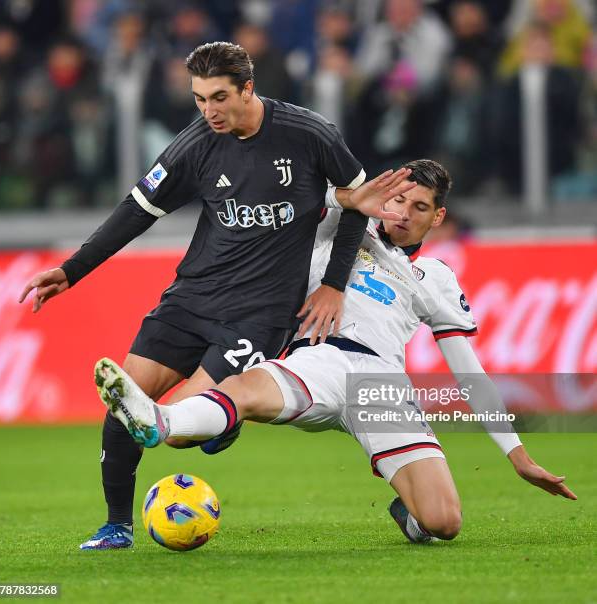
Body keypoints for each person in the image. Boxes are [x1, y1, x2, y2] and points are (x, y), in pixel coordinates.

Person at [18, 41, 411, 550]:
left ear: (248, 88)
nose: (209, 111)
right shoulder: (196, 144)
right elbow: (137, 211)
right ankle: (117, 526)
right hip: (192, 298)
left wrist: (334, 284)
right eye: (200, 99)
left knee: (176, 427)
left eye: (219, 98)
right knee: (125, 405)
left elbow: (363, 201)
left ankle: (218, 424)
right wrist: (73, 270)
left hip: (259, 316)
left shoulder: (309, 133)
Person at [94, 159, 577, 545]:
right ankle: (160, 421)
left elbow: (470, 375)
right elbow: (297, 196)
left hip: (381, 384)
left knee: (444, 522)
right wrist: (350, 198)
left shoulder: (438, 279)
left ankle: (407, 507)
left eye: (421, 207)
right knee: (243, 388)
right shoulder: (339, 232)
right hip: (317, 355)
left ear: (439, 217)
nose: (404, 214)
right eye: (399, 200)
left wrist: (517, 455)